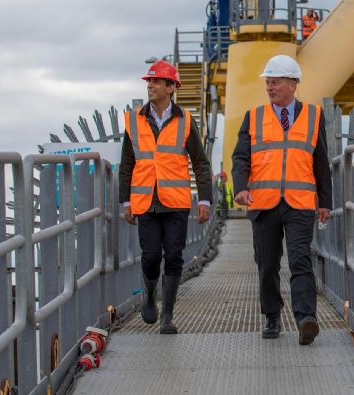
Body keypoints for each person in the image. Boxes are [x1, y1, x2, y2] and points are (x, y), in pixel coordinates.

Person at [231, 54, 332, 345]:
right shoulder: (254, 117)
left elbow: (321, 162)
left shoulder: (314, 116)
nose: (270, 87)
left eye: (275, 82)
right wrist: (240, 187)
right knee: (267, 264)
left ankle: (305, 319)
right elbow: (241, 157)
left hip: (300, 202)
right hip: (263, 203)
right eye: (268, 82)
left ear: (292, 84)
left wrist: (325, 201)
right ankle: (272, 316)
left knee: (301, 260)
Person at [119, 59, 213, 334]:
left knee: (174, 256)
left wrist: (205, 199)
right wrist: (125, 201)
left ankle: (167, 316)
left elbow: (201, 162)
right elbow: (127, 164)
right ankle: (149, 296)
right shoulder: (134, 120)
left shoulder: (185, 121)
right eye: (149, 81)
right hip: (145, 201)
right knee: (150, 257)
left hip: (176, 201)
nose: (151, 86)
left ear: (171, 87)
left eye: (157, 81)